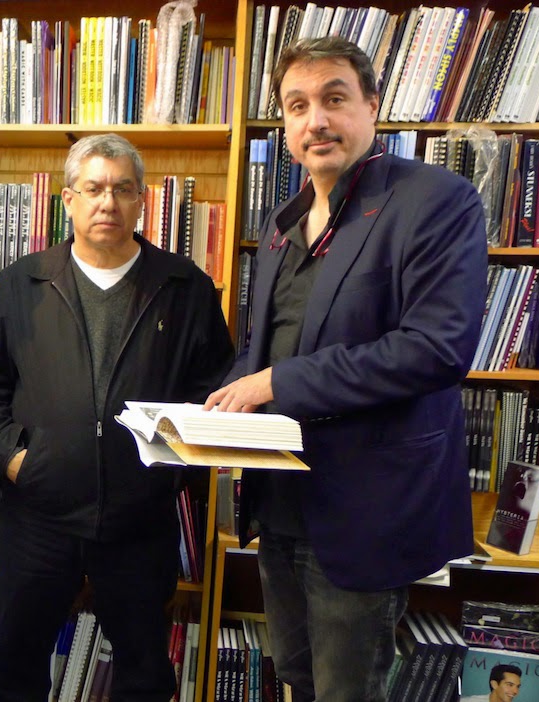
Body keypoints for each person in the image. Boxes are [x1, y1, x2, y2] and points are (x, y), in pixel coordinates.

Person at [204, 37, 488, 702]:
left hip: (365, 512)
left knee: (347, 692)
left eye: (334, 98)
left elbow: (436, 349)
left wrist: (276, 384)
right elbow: (265, 346)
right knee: (297, 678)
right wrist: (219, 415)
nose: (317, 120)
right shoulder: (283, 222)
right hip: (279, 503)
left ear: (372, 106)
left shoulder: (436, 200)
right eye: (297, 105)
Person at [0, 133, 233, 701]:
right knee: (16, 664)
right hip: (38, 512)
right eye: (93, 189)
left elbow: (213, 387)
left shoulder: (184, 285)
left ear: (141, 201)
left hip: (140, 519)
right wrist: (12, 457)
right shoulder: (23, 281)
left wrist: (172, 470)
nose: (107, 202)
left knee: (143, 670)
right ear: (68, 199)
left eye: (122, 189)